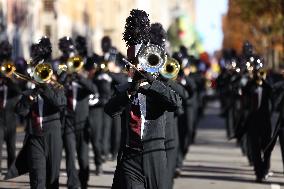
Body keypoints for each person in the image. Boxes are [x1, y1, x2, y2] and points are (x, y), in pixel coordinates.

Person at [105, 9, 182, 189]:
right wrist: (130, 91)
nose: (136, 67)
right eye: (133, 63)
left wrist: (151, 83)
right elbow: (110, 109)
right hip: (130, 157)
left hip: (154, 155)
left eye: (139, 62)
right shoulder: (125, 88)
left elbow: (176, 102)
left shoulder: (158, 87)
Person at [5, 37, 66, 189]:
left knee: (52, 180)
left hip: (53, 135)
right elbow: (20, 110)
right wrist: (31, 96)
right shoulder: (30, 90)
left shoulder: (57, 88)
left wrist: (45, 87)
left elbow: (59, 104)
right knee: (37, 181)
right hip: (34, 136)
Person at [59, 36, 98, 189]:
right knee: (69, 153)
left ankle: (83, 182)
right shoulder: (63, 70)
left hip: (82, 120)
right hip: (67, 118)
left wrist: (78, 77)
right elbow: (56, 85)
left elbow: (92, 88)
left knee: (83, 156)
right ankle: (72, 184)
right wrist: (65, 76)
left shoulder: (84, 72)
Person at [0, 40, 21, 175]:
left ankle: (10, 171)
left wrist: (9, 79)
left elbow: (19, 90)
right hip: (0, 118)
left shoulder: (14, 69)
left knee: (11, 148)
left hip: (11, 117)